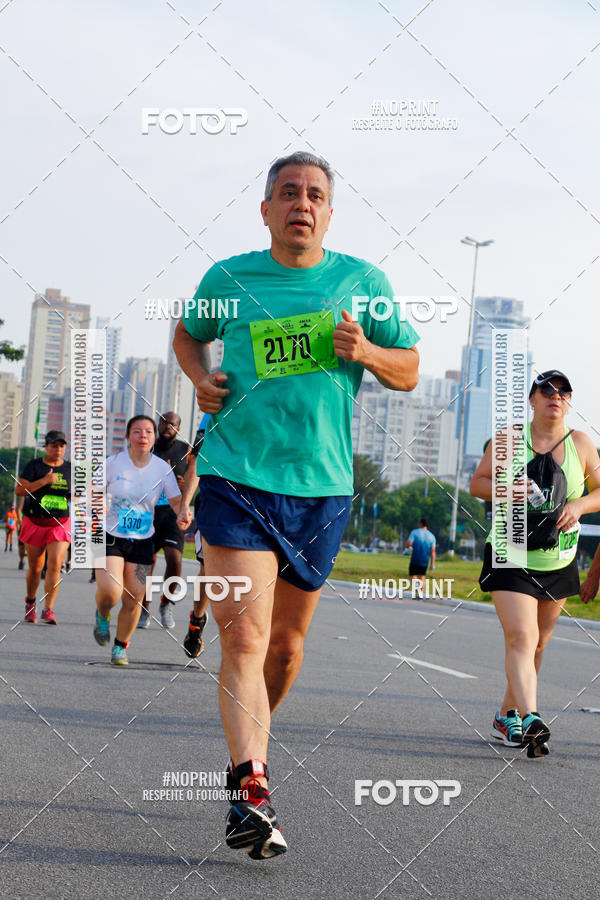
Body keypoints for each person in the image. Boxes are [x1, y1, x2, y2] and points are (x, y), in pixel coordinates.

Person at [173, 151, 420, 858]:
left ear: (329, 213)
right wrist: (201, 379)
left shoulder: (363, 283)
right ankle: (254, 787)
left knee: (283, 649)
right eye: (287, 193)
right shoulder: (230, 279)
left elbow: (409, 369)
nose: (300, 204)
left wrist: (367, 350)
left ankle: (245, 759)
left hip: (321, 488)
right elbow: (189, 334)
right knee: (245, 639)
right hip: (235, 476)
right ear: (266, 209)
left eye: (314, 194)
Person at [470, 370, 600, 755]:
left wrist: (579, 504)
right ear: (532, 399)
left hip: (558, 557)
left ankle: (506, 713)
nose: (555, 396)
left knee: (539, 643)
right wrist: (505, 488)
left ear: (569, 401)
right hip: (510, 553)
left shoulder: (581, 444)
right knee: (522, 637)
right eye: (547, 390)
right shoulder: (509, 440)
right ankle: (531, 718)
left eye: (563, 391)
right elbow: (476, 484)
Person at [93, 415, 188, 666]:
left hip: (143, 539)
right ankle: (102, 614)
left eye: (148, 432)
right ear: (127, 437)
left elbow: (176, 500)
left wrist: (184, 513)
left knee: (134, 597)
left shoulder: (161, 468)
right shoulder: (113, 463)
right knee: (111, 592)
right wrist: (98, 503)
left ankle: (120, 647)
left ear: (154, 437)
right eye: (137, 431)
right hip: (111, 535)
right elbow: (92, 491)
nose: (143, 436)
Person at [138, 411, 197, 630]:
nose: (166, 426)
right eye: (163, 422)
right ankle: (144, 608)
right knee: (146, 563)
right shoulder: (147, 447)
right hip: (148, 512)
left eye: (171, 424)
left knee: (174, 559)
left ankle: (167, 602)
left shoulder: (186, 450)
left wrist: (184, 488)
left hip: (173, 513)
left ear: (178, 428)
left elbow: (194, 477)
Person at [15, 431, 71, 624]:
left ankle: (49, 609)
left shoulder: (70, 469)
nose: (58, 449)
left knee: (55, 564)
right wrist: (44, 481)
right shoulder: (34, 466)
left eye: (62, 446)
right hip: (35, 521)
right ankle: (30, 602)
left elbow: (79, 495)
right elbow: (19, 490)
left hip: (59, 523)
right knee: (36, 568)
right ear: (46, 446)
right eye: (54, 445)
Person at [178, 413, 211, 657]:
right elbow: (197, 460)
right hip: (218, 500)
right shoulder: (216, 407)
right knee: (210, 568)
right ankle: (196, 622)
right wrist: (185, 504)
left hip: (266, 500)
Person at [405, 518, 436, 591]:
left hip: (415, 558)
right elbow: (433, 551)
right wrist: (432, 564)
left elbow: (409, 544)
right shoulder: (432, 536)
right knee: (422, 576)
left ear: (421, 524)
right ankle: (420, 593)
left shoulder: (414, 532)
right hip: (425, 560)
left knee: (412, 576)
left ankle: (417, 588)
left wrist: (407, 548)